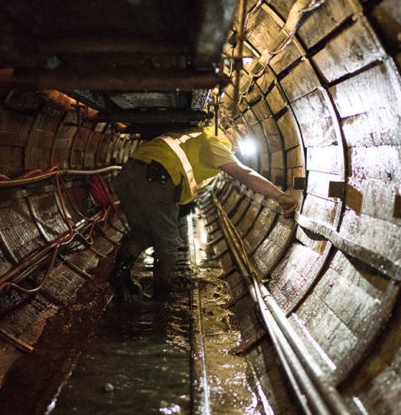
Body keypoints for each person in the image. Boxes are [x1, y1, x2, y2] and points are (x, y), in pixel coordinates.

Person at [109, 124, 299, 301]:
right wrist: (280, 197)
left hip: (130, 173)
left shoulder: (202, 133)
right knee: (167, 244)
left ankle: (119, 277)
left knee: (144, 233)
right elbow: (245, 174)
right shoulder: (217, 145)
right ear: (235, 141)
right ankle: (162, 299)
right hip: (158, 180)